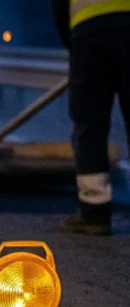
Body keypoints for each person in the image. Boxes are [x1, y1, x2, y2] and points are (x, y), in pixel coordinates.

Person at [55, 0, 130, 235]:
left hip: (89, 33)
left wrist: (74, 40)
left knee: (90, 122)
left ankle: (94, 213)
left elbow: (58, 5)